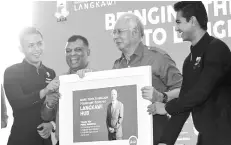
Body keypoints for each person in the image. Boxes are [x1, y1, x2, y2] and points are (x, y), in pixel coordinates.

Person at [148, 2, 231, 145]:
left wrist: (167, 107)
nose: (176, 28)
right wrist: (165, 141)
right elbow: (184, 104)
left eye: (178, 22)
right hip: (206, 138)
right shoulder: (188, 61)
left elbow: (200, 93)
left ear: (192, 21)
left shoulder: (217, 49)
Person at [112, 13, 183, 145]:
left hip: (156, 132)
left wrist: (161, 96)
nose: (115, 36)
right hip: (127, 135)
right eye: (113, 33)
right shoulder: (117, 65)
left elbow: (184, 90)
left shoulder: (157, 57)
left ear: (134, 32)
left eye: (119, 32)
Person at [3, 27, 60, 145]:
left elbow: (56, 105)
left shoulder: (50, 72)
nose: (37, 49)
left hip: (45, 141)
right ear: (21, 49)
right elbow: (18, 102)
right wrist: (44, 91)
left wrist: (52, 124)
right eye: (31, 45)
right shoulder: (12, 71)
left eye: (39, 44)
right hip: (21, 139)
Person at [41, 35, 92, 145]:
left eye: (78, 50)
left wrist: (90, 81)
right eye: (68, 51)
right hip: (64, 141)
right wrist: (49, 104)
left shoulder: (99, 78)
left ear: (88, 52)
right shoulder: (58, 81)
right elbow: (46, 116)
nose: (72, 54)